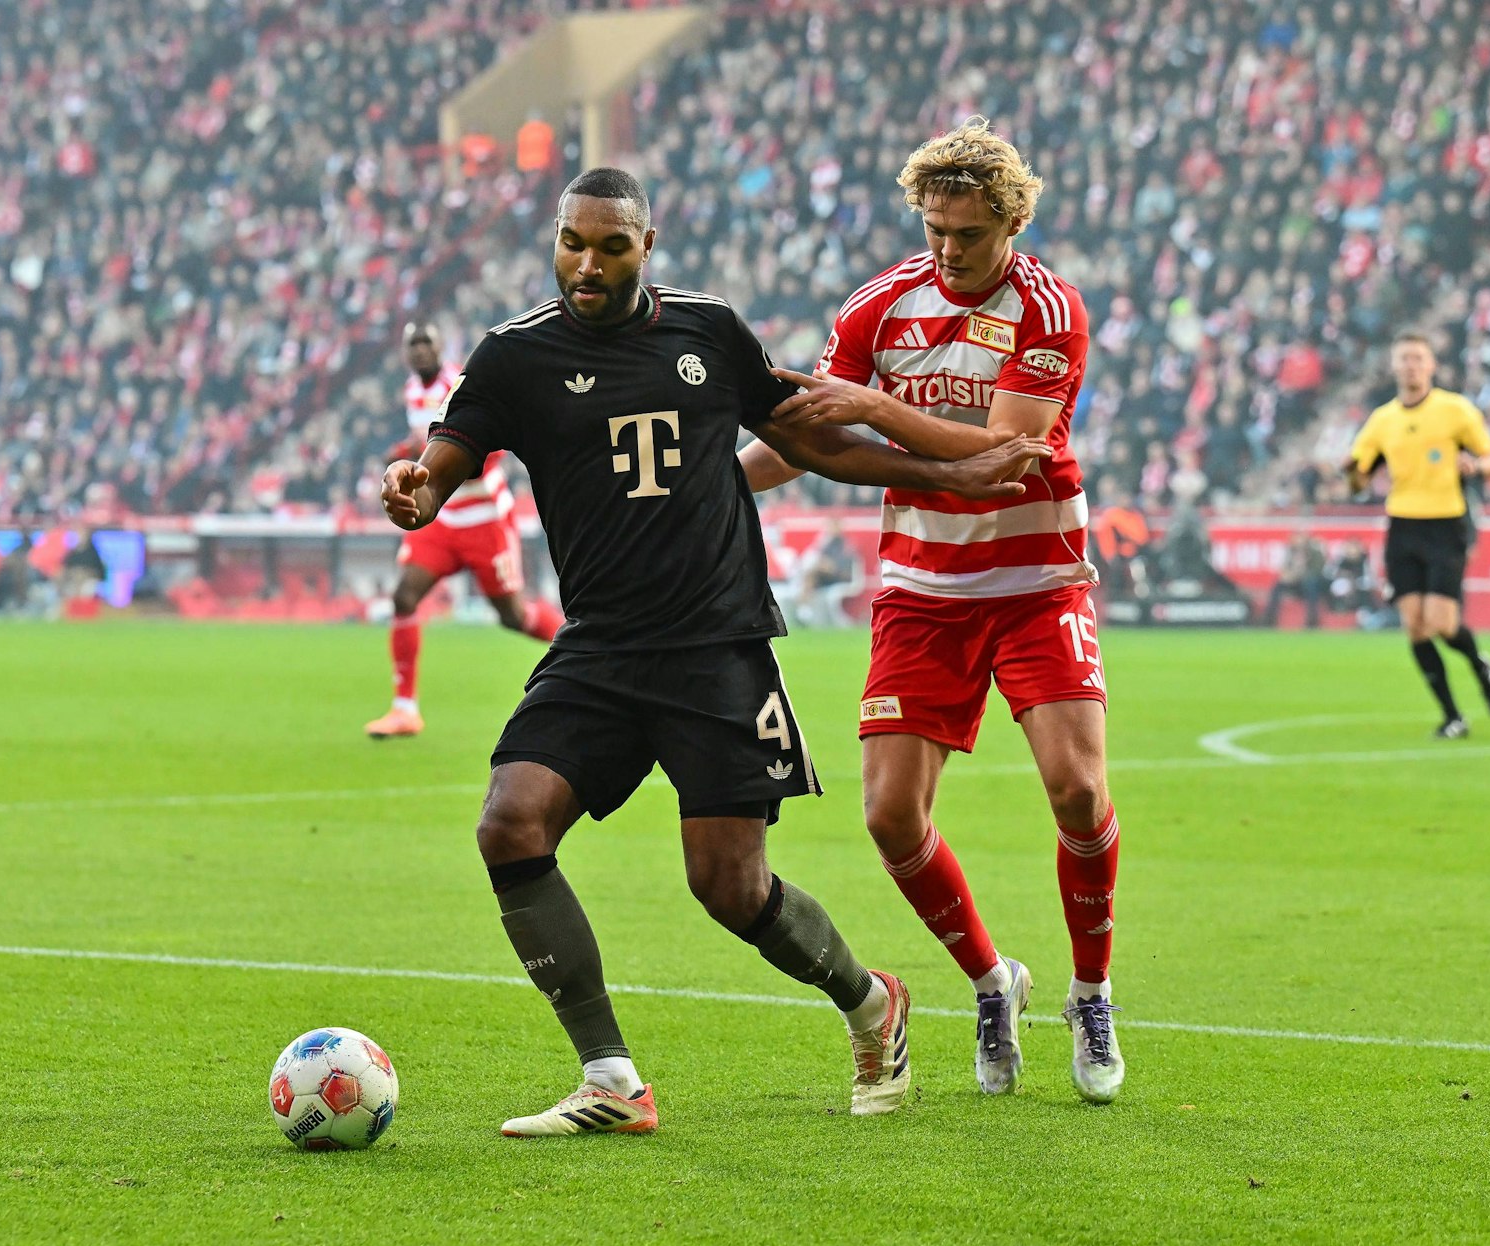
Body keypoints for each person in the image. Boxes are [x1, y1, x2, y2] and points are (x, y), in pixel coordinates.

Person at [381, 167, 1047, 1136]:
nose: (587, 264)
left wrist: (955, 471)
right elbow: (444, 460)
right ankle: (612, 1077)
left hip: (715, 643)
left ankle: (872, 1002)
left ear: (645, 247)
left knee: (729, 886)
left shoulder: (707, 331)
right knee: (509, 824)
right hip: (600, 648)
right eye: (572, 242)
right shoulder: (514, 355)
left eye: (611, 246)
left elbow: (811, 442)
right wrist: (416, 489)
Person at [739, 118, 1126, 1103]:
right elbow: (805, 436)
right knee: (887, 813)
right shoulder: (879, 305)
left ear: (1011, 222)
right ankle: (992, 982)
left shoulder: (1049, 309)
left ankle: (1090, 992)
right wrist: (717, 486)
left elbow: (999, 450)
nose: (948, 250)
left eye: (968, 233)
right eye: (934, 230)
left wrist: (871, 407)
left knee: (1077, 791)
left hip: (1034, 579)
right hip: (921, 590)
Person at [364, 320, 566, 739]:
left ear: (442, 348)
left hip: (484, 518)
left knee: (513, 616)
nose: (420, 350)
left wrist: (437, 458)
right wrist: (407, 452)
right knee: (404, 597)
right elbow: (426, 441)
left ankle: (583, 648)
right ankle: (405, 710)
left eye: (427, 342)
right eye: (413, 344)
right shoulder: (412, 391)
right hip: (442, 517)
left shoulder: (463, 385)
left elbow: (489, 450)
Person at [1345, 332, 1490, 738]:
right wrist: (1351, 473)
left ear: (1431, 365)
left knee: (1441, 622)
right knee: (1415, 627)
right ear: (1394, 366)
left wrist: (1477, 467)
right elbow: (1358, 479)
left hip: (1445, 524)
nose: (1411, 365)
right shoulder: (1383, 420)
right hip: (1402, 526)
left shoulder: (1454, 410)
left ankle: (1480, 666)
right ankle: (1453, 716)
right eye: (1404, 358)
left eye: (1418, 358)